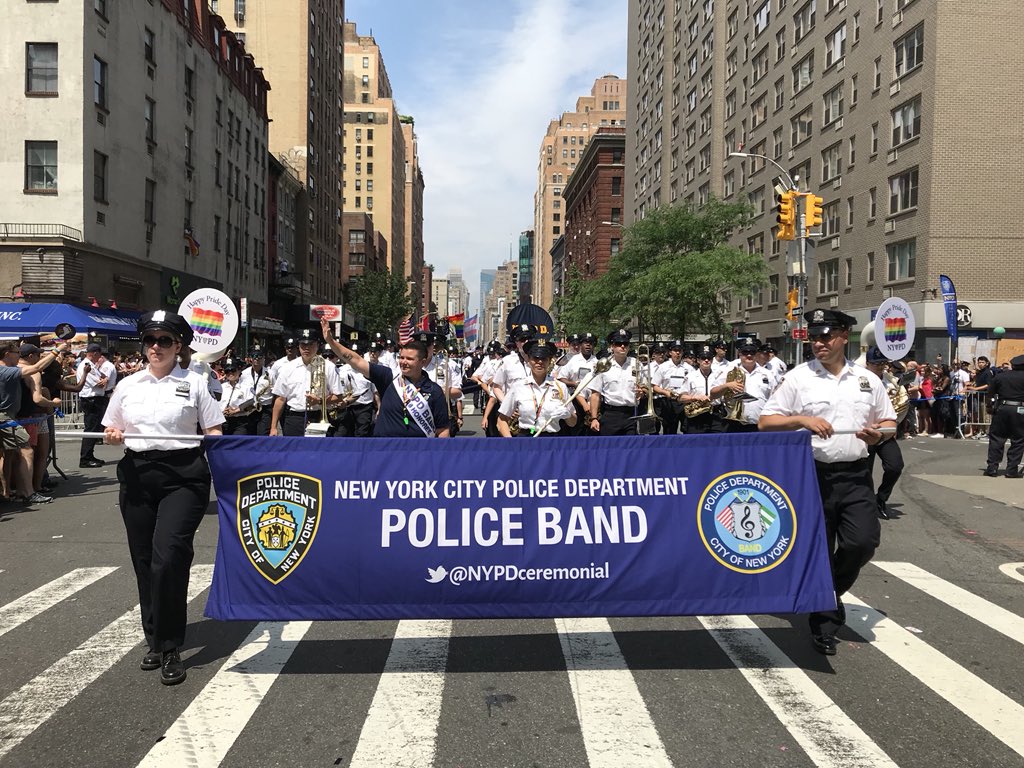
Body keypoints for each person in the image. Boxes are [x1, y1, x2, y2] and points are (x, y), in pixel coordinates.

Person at [759, 308, 895, 656]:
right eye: (814, 336)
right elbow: (766, 421)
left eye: (825, 336)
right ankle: (823, 621)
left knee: (862, 543)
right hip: (812, 475)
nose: (818, 342)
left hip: (855, 475)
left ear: (842, 338)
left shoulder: (867, 380)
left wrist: (877, 436)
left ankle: (829, 594)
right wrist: (802, 419)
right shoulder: (798, 377)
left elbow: (890, 422)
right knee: (819, 550)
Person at [101, 310, 225, 685]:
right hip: (138, 474)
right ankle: (154, 638)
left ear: (179, 346)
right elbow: (113, 424)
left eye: (165, 341)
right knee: (143, 559)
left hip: (183, 477)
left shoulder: (195, 383)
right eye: (151, 340)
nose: (156, 347)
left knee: (168, 555)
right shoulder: (128, 384)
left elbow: (214, 429)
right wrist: (111, 434)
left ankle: (171, 645)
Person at [320, 318, 449, 438]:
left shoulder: (434, 391)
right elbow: (356, 360)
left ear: (422, 361)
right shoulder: (389, 377)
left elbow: (442, 430)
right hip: (384, 451)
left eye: (409, 359)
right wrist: (330, 341)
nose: (404, 362)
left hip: (417, 454)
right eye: (401, 357)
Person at [0, 340, 70, 503]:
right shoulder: (5, 371)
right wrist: (57, 349)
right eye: (17, 352)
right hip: (5, 417)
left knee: (7, 455)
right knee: (27, 451)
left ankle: (6, 492)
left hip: (10, 416)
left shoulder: (9, 370)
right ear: (7, 354)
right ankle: (28, 492)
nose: (19, 356)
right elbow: (36, 368)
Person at [270, 328, 344, 437]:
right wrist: (273, 427)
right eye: (303, 345)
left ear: (318, 345)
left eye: (310, 344)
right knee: (293, 452)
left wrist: (319, 401)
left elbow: (338, 396)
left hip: (318, 417)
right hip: (294, 418)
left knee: (317, 452)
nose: (306, 348)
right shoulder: (288, 368)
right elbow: (280, 399)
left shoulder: (328, 367)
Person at [497, 339, 576, 436]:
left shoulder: (560, 387)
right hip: (526, 439)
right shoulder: (518, 386)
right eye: (535, 358)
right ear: (529, 360)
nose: (540, 362)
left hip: (552, 440)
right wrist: (511, 442)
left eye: (544, 359)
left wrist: (568, 414)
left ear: (550, 361)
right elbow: (502, 420)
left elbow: (573, 423)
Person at [864, 347, 908, 519]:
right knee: (864, 471)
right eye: (876, 364)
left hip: (884, 432)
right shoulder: (858, 381)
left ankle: (881, 498)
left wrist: (892, 425)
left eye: (883, 363)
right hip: (865, 432)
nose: (880, 367)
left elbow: (902, 403)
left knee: (895, 466)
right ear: (867, 364)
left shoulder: (892, 382)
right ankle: (866, 504)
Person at [711, 338, 778, 433]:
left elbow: (775, 399)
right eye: (745, 352)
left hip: (759, 425)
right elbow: (713, 394)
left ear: (757, 354)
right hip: (734, 425)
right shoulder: (728, 371)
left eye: (752, 352)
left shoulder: (768, 374)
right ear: (740, 354)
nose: (749, 355)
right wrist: (727, 386)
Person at [589, 329, 641, 436]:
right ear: (612, 346)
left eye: (625, 344)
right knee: (609, 449)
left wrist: (643, 391)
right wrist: (594, 418)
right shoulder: (603, 365)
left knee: (631, 450)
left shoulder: (636, 364)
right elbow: (595, 394)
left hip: (631, 413)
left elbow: (645, 387)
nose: (622, 346)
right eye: (618, 344)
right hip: (611, 414)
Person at [77, 342, 116, 468]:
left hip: (95, 398)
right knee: (91, 429)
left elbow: (103, 379)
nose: (100, 357)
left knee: (94, 428)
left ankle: (90, 455)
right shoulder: (86, 365)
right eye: (99, 354)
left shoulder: (93, 365)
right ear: (94, 353)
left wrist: (103, 380)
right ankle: (85, 458)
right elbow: (100, 383)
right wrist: (103, 381)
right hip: (90, 399)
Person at [984, 354, 1024, 477]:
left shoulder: (1000, 376)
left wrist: (989, 407)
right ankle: (1011, 470)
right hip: (1020, 409)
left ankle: (992, 468)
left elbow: (989, 393)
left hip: (1002, 407)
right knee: (1018, 439)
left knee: (997, 438)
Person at [558, 332, 600, 435]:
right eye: (585, 342)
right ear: (581, 344)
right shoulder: (572, 360)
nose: (588, 345)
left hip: (592, 401)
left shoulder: (597, 362)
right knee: (576, 431)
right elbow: (560, 378)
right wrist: (574, 384)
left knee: (591, 432)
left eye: (591, 343)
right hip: (574, 400)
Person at [652, 340, 691, 435]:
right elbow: (654, 386)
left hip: (684, 402)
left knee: (687, 429)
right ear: (670, 352)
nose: (677, 353)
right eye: (675, 350)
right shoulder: (663, 367)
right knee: (669, 431)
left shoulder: (689, 368)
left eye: (680, 350)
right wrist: (665, 392)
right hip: (669, 402)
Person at [241, 352, 275, 435]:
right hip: (250, 407)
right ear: (250, 359)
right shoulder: (244, 374)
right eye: (254, 357)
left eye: (260, 357)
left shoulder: (270, 373)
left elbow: (274, 391)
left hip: (265, 408)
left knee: (263, 433)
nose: (257, 359)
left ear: (263, 359)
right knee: (250, 433)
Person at [220, 358, 256, 435]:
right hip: (223, 421)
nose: (230, 373)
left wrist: (237, 410)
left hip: (240, 422)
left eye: (233, 370)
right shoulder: (221, 387)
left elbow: (253, 404)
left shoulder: (247, 387)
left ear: (239, 371)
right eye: (227, 371)